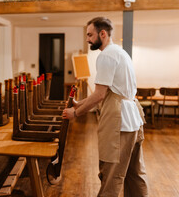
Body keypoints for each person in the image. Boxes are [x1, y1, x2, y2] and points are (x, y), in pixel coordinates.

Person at [63, 17, 148, 196]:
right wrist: (81, 103)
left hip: (120, 122)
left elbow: (100, 95)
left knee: (111, 174)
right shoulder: (120, 51)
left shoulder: (106, 56)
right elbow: (106, 92)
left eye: (90, 35)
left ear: (103, 34)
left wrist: (75, 113)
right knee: (135, 174)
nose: (87, 39)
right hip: (133, 119)